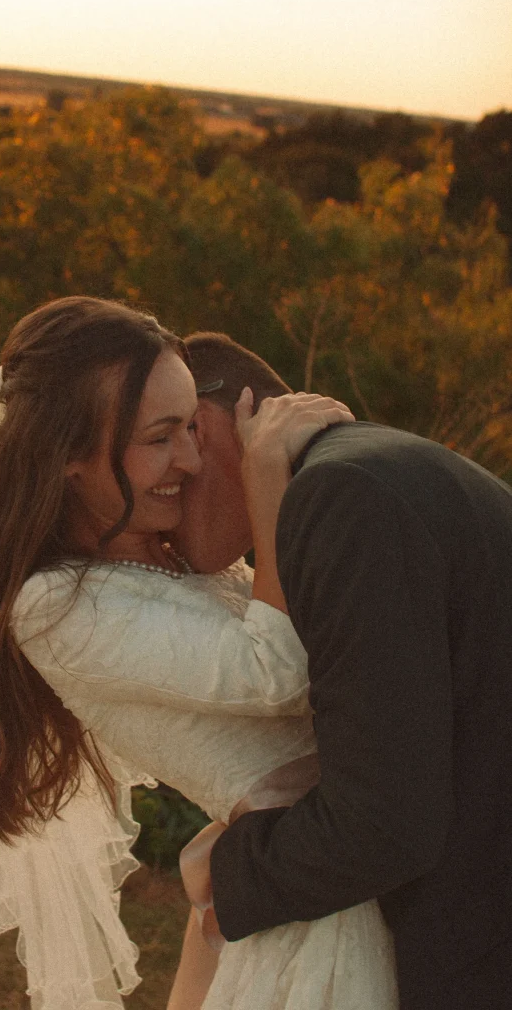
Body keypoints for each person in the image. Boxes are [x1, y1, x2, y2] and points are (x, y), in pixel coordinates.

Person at [0, 296, 397, 1010]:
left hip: (334, 861)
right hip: (317, 914)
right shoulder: (55, 607)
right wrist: (267, 486)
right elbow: (273, 674)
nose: (190, 458)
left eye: (190, 428)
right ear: (69, 459)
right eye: (159, 438)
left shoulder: (185, 560)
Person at [175, 330, 512, 1010]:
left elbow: (384, 824)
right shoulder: (368, 470)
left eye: (165, 443)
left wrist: (221, 871)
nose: (162, 489)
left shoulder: (341, 498)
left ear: (208, 422)